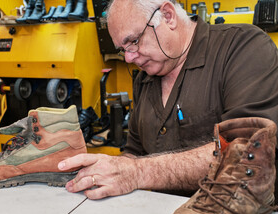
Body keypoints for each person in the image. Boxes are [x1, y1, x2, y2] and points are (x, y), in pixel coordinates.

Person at [58, 0, 278, 200]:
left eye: (133, 41)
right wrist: (108, 171)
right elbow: (134, 153)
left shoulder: (242, 47)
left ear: (168, 16)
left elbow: (247, 153)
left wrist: (138, 173)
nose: (128, 57)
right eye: (123, 49)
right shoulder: (145, 79)